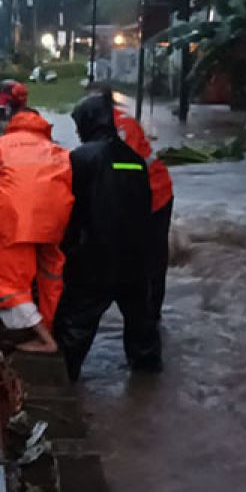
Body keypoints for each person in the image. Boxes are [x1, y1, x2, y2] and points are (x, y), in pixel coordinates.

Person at [53, 94, 162, 381]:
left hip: (95, 260)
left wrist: (66, 248)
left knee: (74, 331)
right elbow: (146, 210)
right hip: (135, 261)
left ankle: (63, 385)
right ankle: (148, 391)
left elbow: (70, 210)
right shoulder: (136, 160)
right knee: (143, 332)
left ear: (89, 123)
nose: (77, 133)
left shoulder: (81, 158)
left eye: (78, 126)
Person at [0, 108, 73, 353]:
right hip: (55, 220)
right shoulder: (57, 149)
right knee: (51, 276)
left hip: (15, 220)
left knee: (9, 283)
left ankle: (44, 340)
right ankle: (48, 325)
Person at [92, 85, 175, 322]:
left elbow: (121, 174)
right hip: (142, 193)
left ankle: (150, 314)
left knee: (152, 258)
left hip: (155, 196)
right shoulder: (108, 124)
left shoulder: (120, 129)